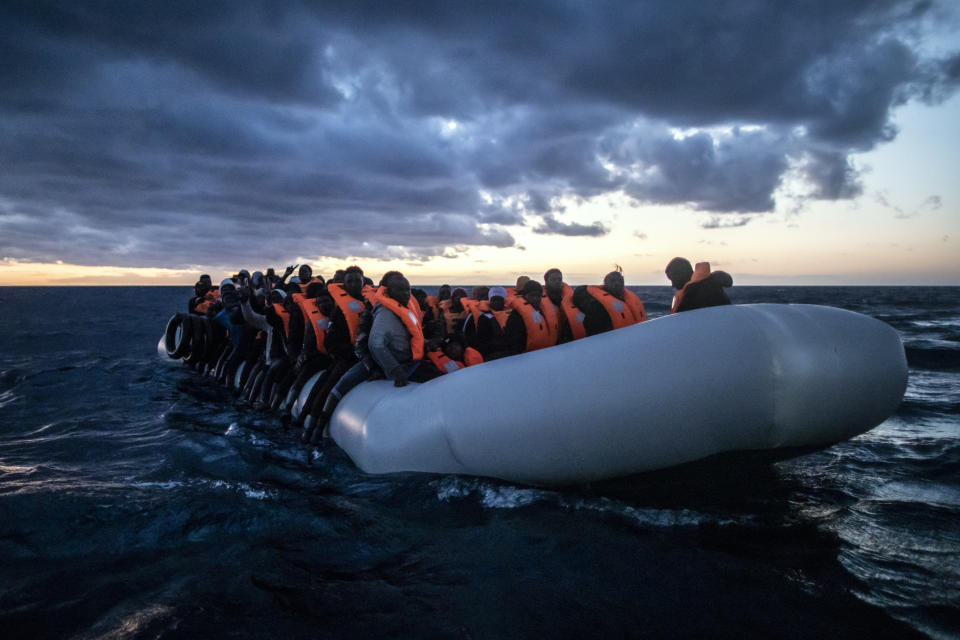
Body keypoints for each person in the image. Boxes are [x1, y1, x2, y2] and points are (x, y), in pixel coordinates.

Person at [308, 271, 423, 442]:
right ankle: (314, 427)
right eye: (400, 290)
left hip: (406, 361)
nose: (406, 294)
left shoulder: (403, 307)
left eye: (408, 289)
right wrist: (381, 369)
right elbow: (367, 344)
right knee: (338, 386)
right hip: (373, 361)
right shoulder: (379, 313)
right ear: (387, 292)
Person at [581, 268, 646, 336]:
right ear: (605, 283)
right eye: (613, 281)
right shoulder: (597, 305)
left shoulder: (627, 301)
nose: (617, 283)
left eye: (620, 281)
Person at [504, 280, 557, 355]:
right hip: (527, 358)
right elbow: (512, 344)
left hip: (546, 353)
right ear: (524, 296)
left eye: (538, 296)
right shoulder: (515, 316)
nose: (535, 298)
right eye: (532, 295)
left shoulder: (543, 312)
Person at [665, 258, 733, 313]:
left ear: (679, 275)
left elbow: (678, 320)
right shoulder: (712, 281)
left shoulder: (691, 292)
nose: (673, 285)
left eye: (672, 279)